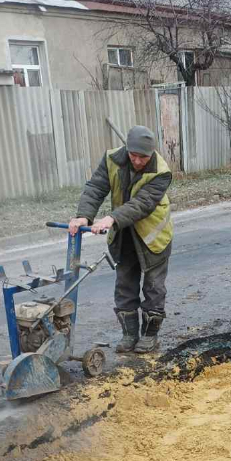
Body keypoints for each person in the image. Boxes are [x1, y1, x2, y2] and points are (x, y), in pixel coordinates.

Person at [69, 126, 173, 355]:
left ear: (152, 153)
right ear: (127, 149)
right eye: (133, 155)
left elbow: (142, 204)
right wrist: (84, 215)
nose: (136, 161)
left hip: (153, 236)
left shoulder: (161, 171)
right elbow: (96, 187)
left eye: (143, 157)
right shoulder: (111, 159)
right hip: (124, 233)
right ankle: (129, 335)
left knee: (153, 287)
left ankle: (149, 336)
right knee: (124, 284)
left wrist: (112, 218)